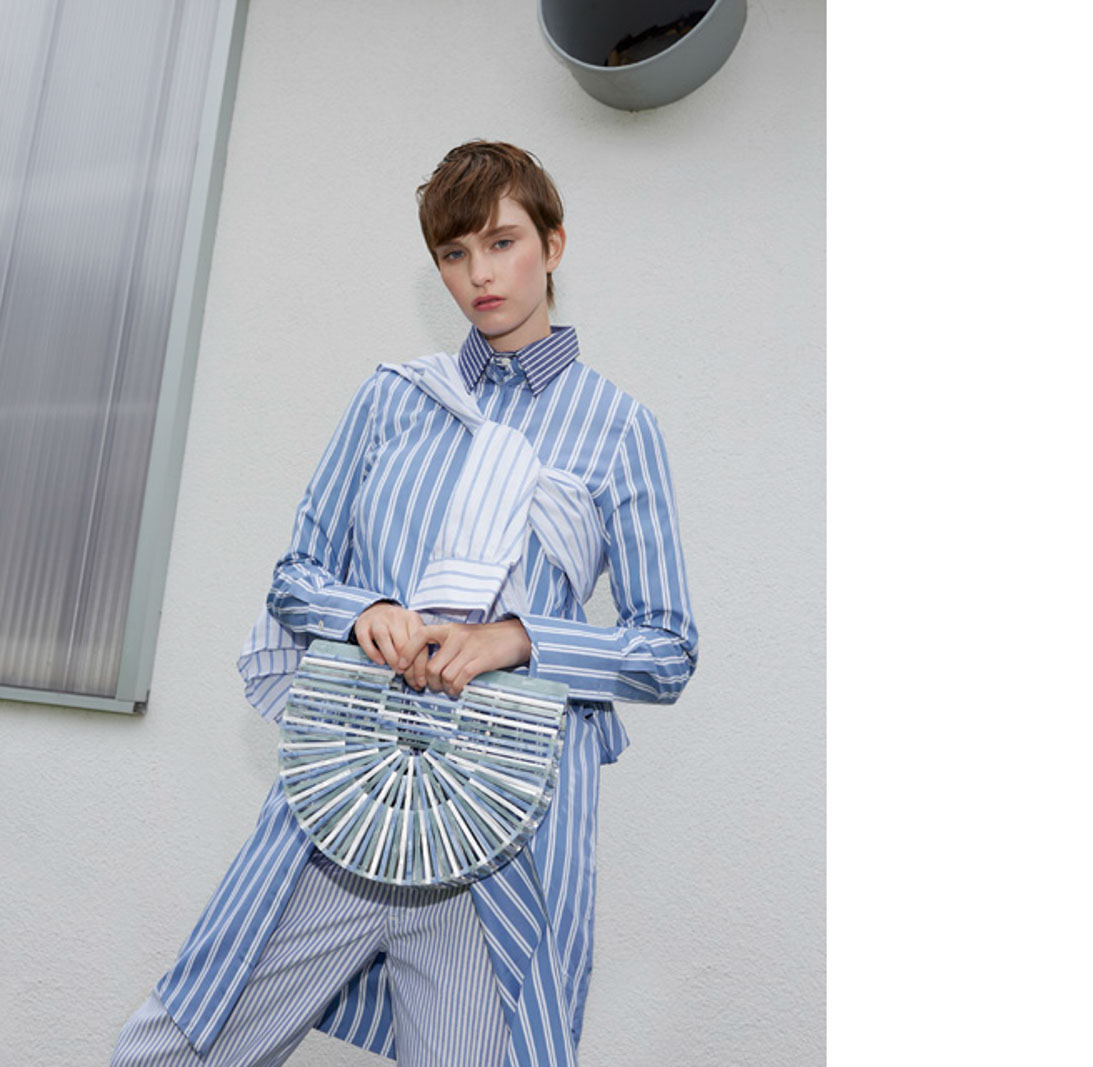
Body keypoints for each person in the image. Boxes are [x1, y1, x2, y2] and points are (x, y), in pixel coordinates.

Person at [111, 140, 699, 1066]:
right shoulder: (392, 399)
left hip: (498, 830)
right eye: (454, 254)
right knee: (175, 1047)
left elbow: (666, 649)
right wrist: (364, 612)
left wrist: (514, 639)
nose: (480, 274)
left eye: (502, 242)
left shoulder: (620, 430)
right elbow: (297, 574)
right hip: (346, 796)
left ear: (552, 246)